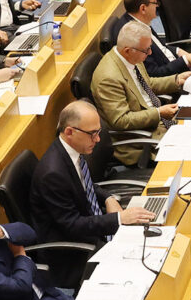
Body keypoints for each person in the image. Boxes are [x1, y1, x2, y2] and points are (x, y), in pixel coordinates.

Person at [29, 101, 155, 283]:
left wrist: (108, 198)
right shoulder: (53, 174)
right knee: (143, 264)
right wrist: (119, 219)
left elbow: (85, 184)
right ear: (70, 132)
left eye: (98, 132)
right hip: (73, 252)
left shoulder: (71, 151)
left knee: (150, 237)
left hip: (91, 228)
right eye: (92, 134)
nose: (97, 139)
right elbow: (72, 225)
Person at [91, 21, 187, 165]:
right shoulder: (108, 78)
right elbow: (121, 120)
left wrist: (177, 80)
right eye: (146, 50)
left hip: (159, 121)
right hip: (142, 140)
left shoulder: (132, 55)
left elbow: (148, 84)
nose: (150, 53)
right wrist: (158, 113)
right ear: (128, 50)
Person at [118, 0, 191, 76]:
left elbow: (160, 47)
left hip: (175, 63)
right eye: (155, 2)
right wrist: (185, 60)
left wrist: (179, 51)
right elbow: (155, 74)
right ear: (143, 8)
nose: (157, 6)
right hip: (174, 78)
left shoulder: (139, 19)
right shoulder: (133, 36)